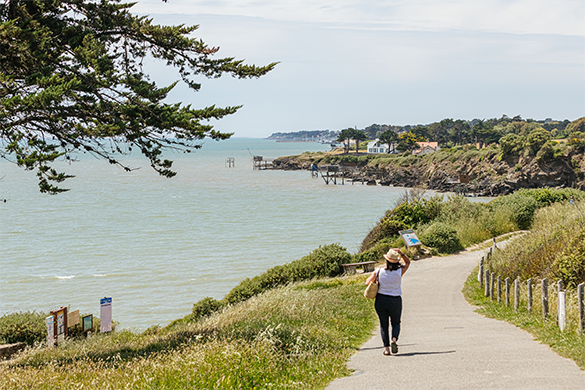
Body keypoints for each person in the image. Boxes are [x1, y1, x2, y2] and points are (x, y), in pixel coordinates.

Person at [365, 248, 411, 355]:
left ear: (387, 260)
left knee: (383, 324)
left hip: (381, 299)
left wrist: (375, 280)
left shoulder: (379, 271)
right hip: (395, 299)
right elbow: (408, 262)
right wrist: (401, 253)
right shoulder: (400, 271)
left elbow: (367, 283)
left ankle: (386, 349)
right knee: (396, 323)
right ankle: (394, 339)